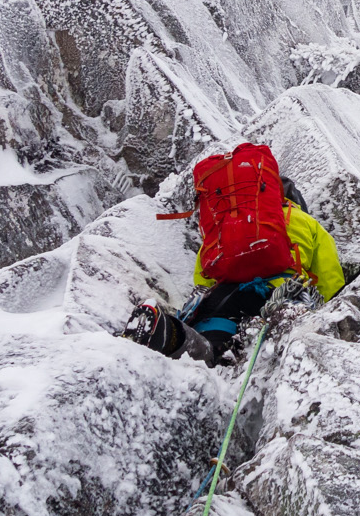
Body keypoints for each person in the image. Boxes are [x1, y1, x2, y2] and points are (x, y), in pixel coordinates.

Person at [126, 146, 343, 365]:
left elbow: (203, 277)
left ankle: (174, 335)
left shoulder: (225, 225)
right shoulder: (308, 223)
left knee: (211, 340)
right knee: (238, 356)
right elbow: (330, 280)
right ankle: (207, 352)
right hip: (279, 297)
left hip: (223, 297)